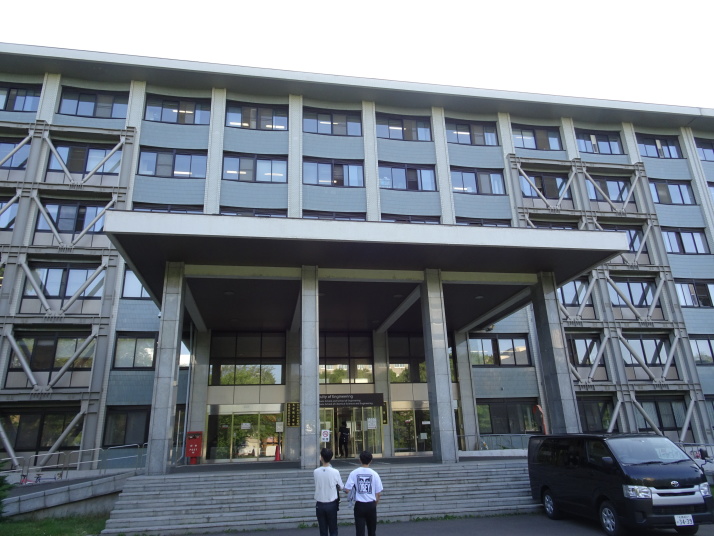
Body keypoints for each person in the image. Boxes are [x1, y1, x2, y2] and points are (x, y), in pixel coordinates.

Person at [344, 451, 383, 536]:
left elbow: (347, 489)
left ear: (360, 460)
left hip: (359, 504)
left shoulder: (354, 473)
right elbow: (378, 493)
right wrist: (375, 503)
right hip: (371, 504)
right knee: (372, 531)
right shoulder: (375, 474)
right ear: (371, 461)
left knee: (359, 531)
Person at [314, 447, 344, 536]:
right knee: (333, 529)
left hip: (320, 503)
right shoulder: (335, 472)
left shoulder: (316, 471)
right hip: (331, 504)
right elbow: (341, 487)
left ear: (321, 458)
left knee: (323, 530)